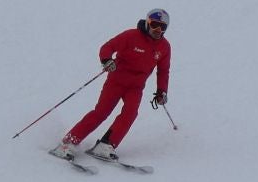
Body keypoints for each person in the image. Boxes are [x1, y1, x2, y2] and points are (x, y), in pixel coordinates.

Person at [51, 9, 171, 162]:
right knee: (101, 113)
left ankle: (106, 145)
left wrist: (162, 91)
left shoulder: (164, 47)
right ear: (147, 23)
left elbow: (163, 71)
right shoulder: (131, 36)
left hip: (135, 87)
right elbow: (107, 47)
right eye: (154, 25)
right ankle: (67, 143)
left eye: (162, 27)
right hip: (116, 82)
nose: (158, 30)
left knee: (130, 114)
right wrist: (107, 60)